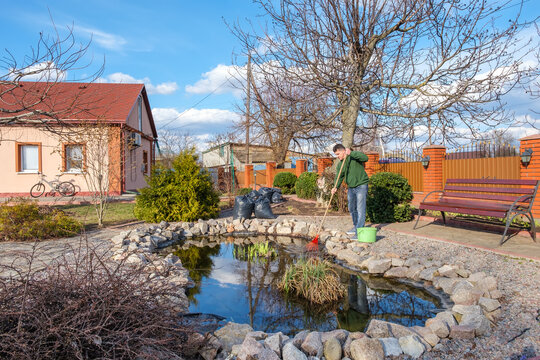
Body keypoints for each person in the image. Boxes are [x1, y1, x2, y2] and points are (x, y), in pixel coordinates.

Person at [331, 144, 369, 237]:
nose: (337, 156)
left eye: (338, 154)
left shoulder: (354, 157)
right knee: (352, 208)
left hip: (361, 185)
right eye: (336, 155)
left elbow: (365, 158)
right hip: (351, 187)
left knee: (360, 209)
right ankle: (356, 226)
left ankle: (359, 232)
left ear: (343, 151)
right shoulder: (341, 164)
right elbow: (339, 176)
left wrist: (351, 153)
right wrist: (335, 186)